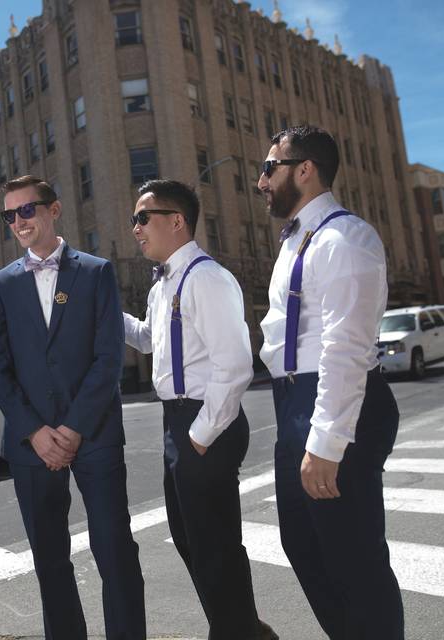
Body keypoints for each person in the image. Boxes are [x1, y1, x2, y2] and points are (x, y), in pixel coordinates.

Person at [0, 176, 145, 640]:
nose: (18, 222)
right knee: (49, 559)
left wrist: (73, 428)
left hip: (94, 435)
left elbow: (109, 356)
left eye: (26, 211)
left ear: (54, 209)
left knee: (114, 549)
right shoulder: (2, 284)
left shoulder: (97, 272)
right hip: (31, 445)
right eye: (9, 215)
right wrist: (35, 431)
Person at [257, 126, 404, 639]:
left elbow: (346, 345)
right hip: (293, 400)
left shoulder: (347, 237)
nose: (261, 181)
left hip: (334, 402)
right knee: (305, 547)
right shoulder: (296, 241)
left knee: (353, 558)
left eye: (269, 168)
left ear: (304, 169)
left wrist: (326, 441)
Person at [123, 179, 278, 640]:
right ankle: (241, 627)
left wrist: (199, 436)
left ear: (177, 221)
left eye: (142, 217)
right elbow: (151, 339)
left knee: (214, 543)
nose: (135, 228)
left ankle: (236, 631)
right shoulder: (162, 285)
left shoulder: (208, 278)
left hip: (205, 421)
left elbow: (234, 365)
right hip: (178, 422)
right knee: (192, 538)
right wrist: (105, 312)